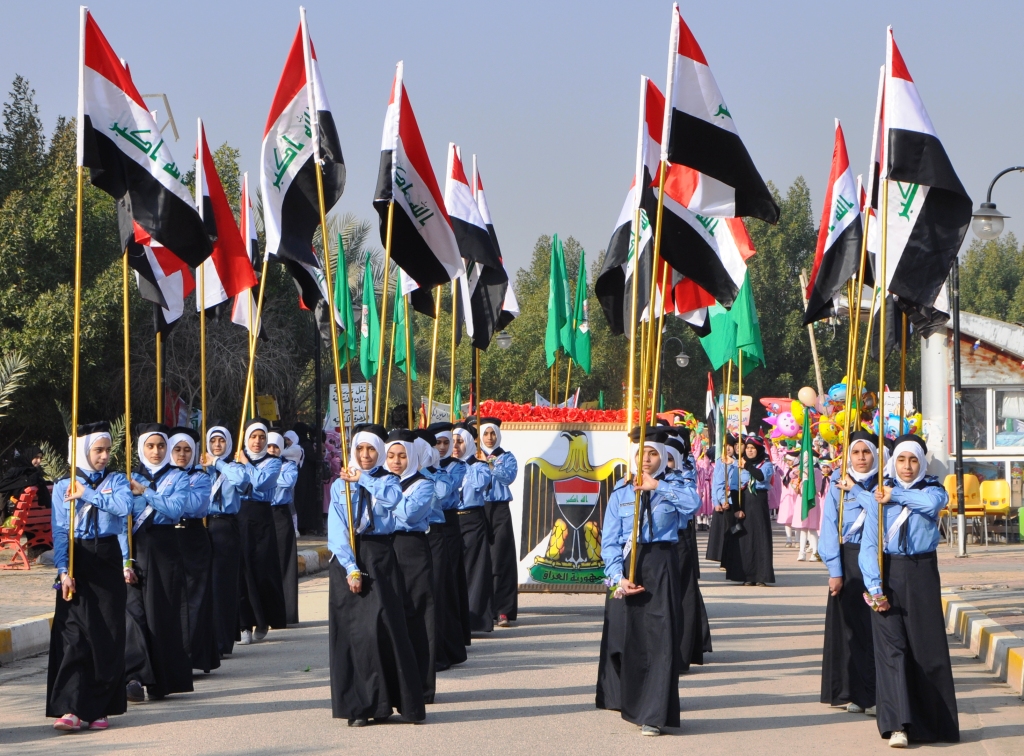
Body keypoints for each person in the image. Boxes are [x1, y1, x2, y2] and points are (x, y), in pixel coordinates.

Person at [596, 426, 699, 736]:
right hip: (631, 566)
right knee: (632, 639)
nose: (646, 459)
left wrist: (658, 487)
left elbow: (694, 505)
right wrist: (617, 578)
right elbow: (610, 541)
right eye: (642, 453)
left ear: (663, 457)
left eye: (653, 454)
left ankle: (654, 714)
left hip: (662, 563)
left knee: (662, 638)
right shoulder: (622, 492)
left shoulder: (676, 486)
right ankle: (631, 701)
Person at [859, 434, 959, 747]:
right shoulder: (880, 493)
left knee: (926, 649)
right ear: (893, 462)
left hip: (922, 572)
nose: (906, 466)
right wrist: (874, 585)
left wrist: (897, 497)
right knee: (891, 651)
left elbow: (931, 506)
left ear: (922, 462)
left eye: (913, 460)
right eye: (901, 459)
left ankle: (933, 723)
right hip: (887, 573)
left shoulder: (933, 488)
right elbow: (869, 544)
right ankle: (896, 725)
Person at [327, 422, 426, 726]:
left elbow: (401, 508)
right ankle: (360, 706)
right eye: (360, 449)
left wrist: (366, 481)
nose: (366, 455)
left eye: (372, 449)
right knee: (356, 634)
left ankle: (397, 701)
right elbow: (336, 529)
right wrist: (351, 568)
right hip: (348, 560)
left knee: (384, 629)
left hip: (381, 555)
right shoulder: (339, 484)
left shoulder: (389, 481)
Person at [47, 422, 132, 732]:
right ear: (83, 451)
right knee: (73, 636)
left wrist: (90, 494)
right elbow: (59, 530)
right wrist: (63, 570)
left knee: (105, 636)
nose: (104, 456)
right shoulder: (62, 485)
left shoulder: (117, 480)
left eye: (108, 450)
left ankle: (100, 708)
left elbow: (125, 507)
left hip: (106, 559)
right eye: (98, 450)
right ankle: (70, 707)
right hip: (76, 559)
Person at [122, 423, 193, 702]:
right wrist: (124, 559)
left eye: (161, 446)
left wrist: (146, 493)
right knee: (133, 614)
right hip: (135, 548)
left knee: (160, 614)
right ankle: (134, 677)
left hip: (165, 548)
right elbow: (120, 519)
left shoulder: (178, 477)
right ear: (141, 448)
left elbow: (176, 510)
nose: (156, 451)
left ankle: (162, 679)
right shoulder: (127, 477)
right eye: (150, 446)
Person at [818, 431, 878, 716]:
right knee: (852, 631)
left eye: (867, 452)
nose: (862, 458)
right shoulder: (836, 483)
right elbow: (829, 524)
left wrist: (857, 489)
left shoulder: (885, 484)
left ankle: (881, 691)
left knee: (877, 630)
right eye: (856, 453)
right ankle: (855, 692)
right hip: (850, 561)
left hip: (881, 561)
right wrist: (834, 570)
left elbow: (880, 512)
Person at [388, 428, 438, 703]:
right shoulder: (377, 480)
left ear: (414, 457)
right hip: (382, 550)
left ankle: (422, 686)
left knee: (418, 616)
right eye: (391, 455)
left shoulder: (424, 483)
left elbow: (409, 514)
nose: (396, 462)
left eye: (402, 456)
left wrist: (382, 494)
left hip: (412, 549)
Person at [168, 426, 219, 675]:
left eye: (187, 450)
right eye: (177, 449)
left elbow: (194, 506)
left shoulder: (200, 477)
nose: (182, 455)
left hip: (194, 538)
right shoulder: (160, 476)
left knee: (196, 599)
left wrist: (166, 498)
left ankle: (193, 655)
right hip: (167, 538)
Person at [664, 429, 712, 672]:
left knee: (681, 597)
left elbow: (691, 505)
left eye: (668, 457)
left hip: (679, 539)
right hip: (656, 545)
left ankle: (682, 653)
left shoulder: (684, 476)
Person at [236, 418, 285, 644]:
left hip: (263, 517)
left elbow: (260, 483)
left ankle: (263, 619)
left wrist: (246, 464)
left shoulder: (273, 462)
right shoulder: (234, 458)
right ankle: (244, 623)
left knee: (261, 569)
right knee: (242, 570)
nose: (257, 441)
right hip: (240, 515)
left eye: (262, 437)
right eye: (253, 436)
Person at [417, 427, 459, 672]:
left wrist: (426, 469)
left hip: (434, 533)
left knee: (436, 594)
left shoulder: (436, 472)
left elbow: (442, 493)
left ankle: (438, 651)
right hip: (410, 537)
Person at [201, 426, 243, 657]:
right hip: (203, 526)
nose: (217, 445)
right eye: (213, 440)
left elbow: (241, 480)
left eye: (221, 440)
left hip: (225, 526)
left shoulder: (232, 467)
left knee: (223, 585)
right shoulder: (201, 467)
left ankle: (223, 640)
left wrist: (217, 463)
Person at [433, 422, 471, 660]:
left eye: (447, 442)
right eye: (438, 443)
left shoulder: (457, 467)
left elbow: (443, 492)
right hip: (430, 526)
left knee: (451, 579)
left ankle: (456, 637)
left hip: (449, 521)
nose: (443, 447)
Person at [478, 417, 519, 628]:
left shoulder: (507, 457)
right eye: (485, 433)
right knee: (480, 558)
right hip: (478, 509)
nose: (489, 437)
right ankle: (482, 608)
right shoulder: (473, 456)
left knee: (501, 556)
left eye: (492, 433)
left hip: (500, 509)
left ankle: (503, 609)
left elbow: (508, 477)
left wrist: (491, 464)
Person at [454, 420, 494, 633]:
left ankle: (477, 619)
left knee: (475, 570)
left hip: (473, 518)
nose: (455, 446)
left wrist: (468, 464)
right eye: (453, 441)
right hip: (453, 519)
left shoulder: (479, 466)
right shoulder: (447, 465)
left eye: (460, 441)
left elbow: (480, 484)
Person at [722, 435, 775, 586]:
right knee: (745, 539)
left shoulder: (766, 464)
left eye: (753, 448)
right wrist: (737, 509)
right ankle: (747, 575)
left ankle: (761, 575)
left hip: (758, 502)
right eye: (748, 448)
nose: (750, 451)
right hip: (743, 502)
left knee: (760, 537)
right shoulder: (739, 465)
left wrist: (747, 466)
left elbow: (760, 477)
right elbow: (733, 488)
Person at [269, 430, 300, 625]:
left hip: (280, 515)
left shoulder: (289, 466)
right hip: (260, 514)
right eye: (269, 446)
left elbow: (288, 481)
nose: (272, 450)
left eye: (275, 446)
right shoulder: (252, 465)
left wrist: (262, 477)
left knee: (285, 563)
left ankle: (287, 613)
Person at [706, 434, 738, 564]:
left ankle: (730, 560)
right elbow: (716, 484)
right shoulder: (720, 462)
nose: (729, 449)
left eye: (731, 446)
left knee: (733, 531)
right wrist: (716, 501)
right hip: (721, 501)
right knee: (721, 533)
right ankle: (722, 559)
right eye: (726, 446)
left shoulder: (738, 462)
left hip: (733, 501)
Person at [0, 445, 51, 521]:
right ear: (30, 457)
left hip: (19, 519)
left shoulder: (20, 472)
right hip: (33, 519)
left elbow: (4, 485)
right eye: (36, 457)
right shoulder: (35, 476)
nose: (39, 461)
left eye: (40, 458)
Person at [290, 423, 321, 534]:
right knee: (305, 501)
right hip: (306, 477)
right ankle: (304, 525)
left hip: (296, 475)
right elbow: (313, 458)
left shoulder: (292, 444)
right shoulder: (306, 444)